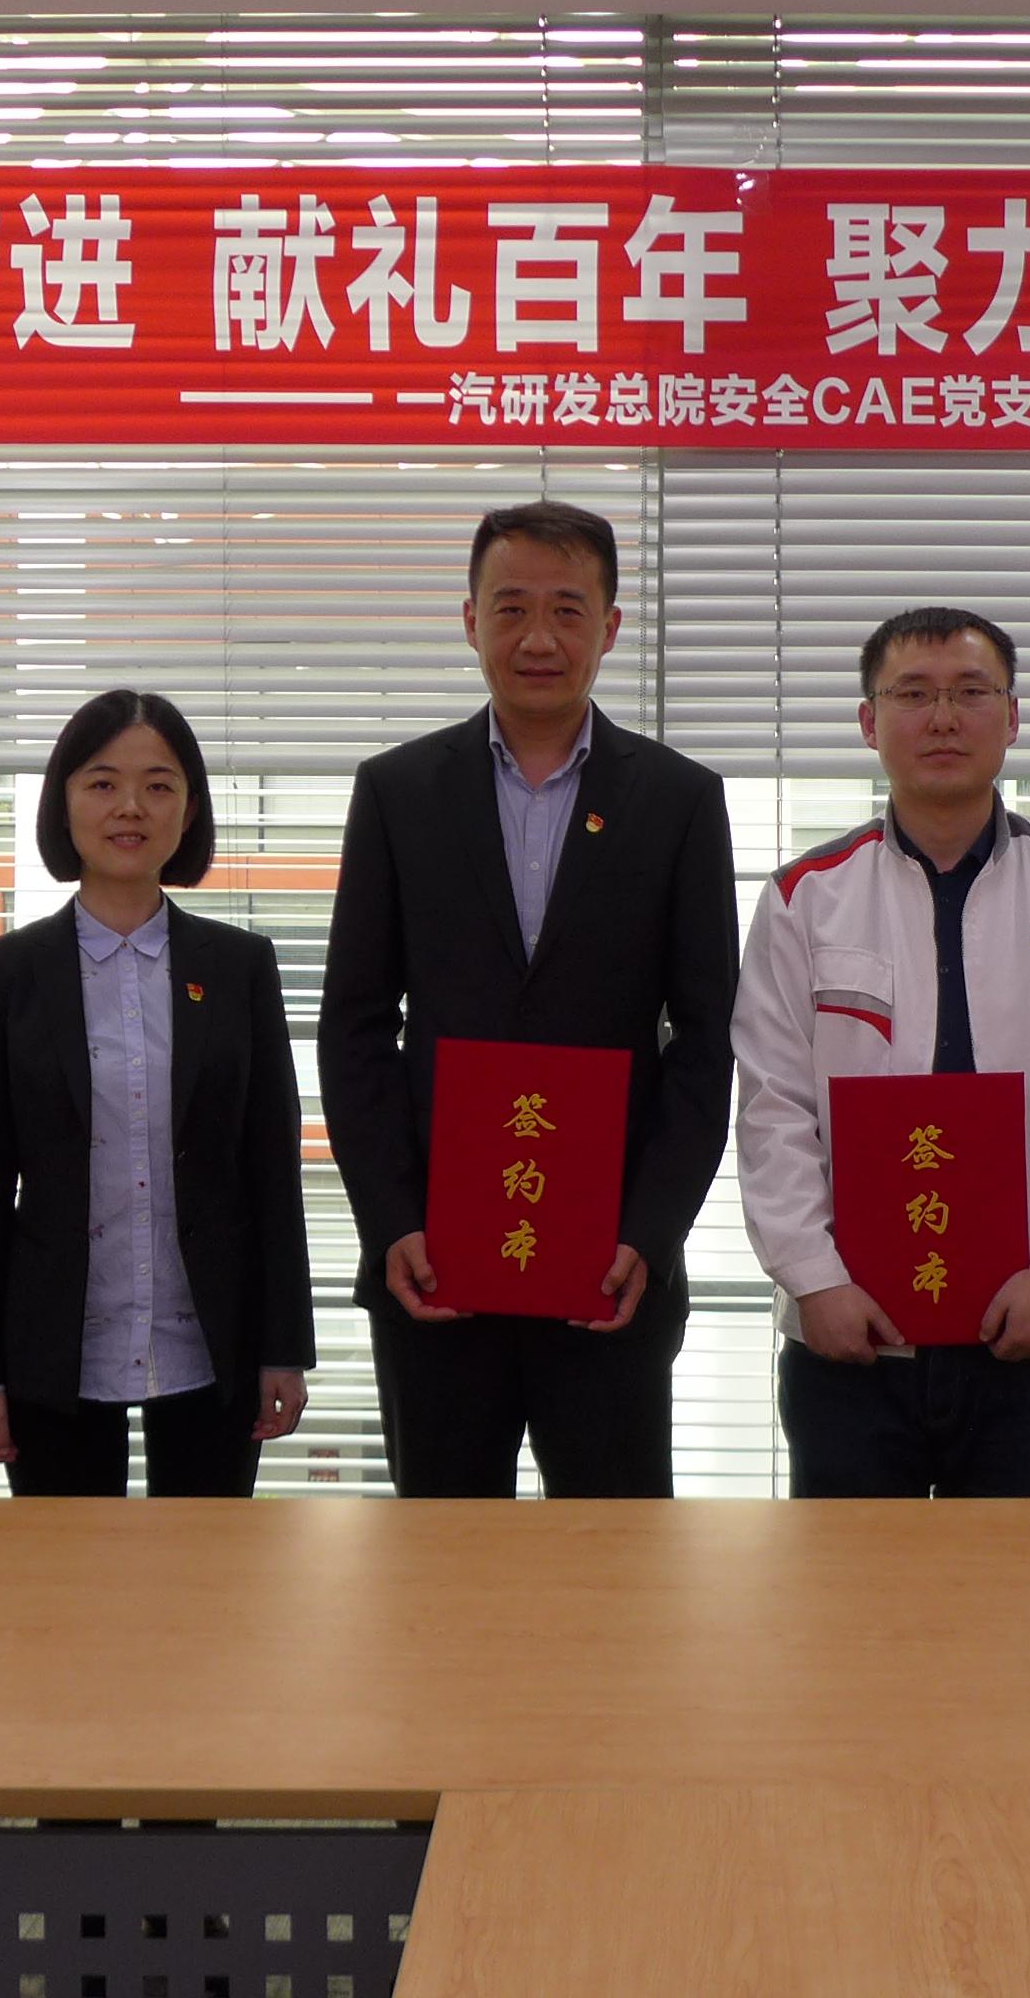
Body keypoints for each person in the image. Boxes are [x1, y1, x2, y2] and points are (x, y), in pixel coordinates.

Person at [319, 501, 738, 1497]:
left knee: (612, 1561)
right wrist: (392, 1222)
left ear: (610, 626)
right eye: (510, 609)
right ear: (470, 621)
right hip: (436, 1270)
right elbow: (356, 1026)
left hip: (608, 1274)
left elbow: (705, 1038)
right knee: (441, 1561)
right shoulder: (397, 791)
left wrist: (649, 1233)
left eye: (566, 610)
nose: (538, 639)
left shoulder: (679, 799)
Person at [736, 607, 1030, 1497]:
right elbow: (773, 1108)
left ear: (1012, 717)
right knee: (849, 1581)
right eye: (913, 695)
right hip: (850, 1332)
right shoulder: (805, 896)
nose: (942, 719)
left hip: (1029, 1330)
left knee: (1016, 1581)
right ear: (868, 721)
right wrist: (815, 1281)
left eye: (970, 693)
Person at [0, 692, 313, 1496]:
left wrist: (285, 1347)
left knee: (209, 1568)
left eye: (158, 785)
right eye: (103, 783)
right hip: (53, 1347)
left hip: (213, 1342)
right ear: (64, 802)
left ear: (190, 810)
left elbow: (271, 1171)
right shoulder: (4, 975)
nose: (130, 808)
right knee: (66, 1571)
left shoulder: (240, 968)